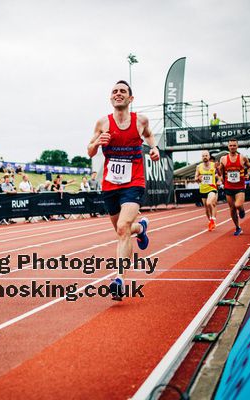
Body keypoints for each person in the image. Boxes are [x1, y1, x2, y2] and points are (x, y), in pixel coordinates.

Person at [87, 80, 159, 300]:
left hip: (134, 181)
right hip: (110, 184)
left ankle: (119, 278)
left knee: (121, 228)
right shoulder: (102, 123)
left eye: (123, 91)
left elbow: (148, 135)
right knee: (124, 230)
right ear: (111, 98)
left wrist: (154, 148)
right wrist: (98, 142)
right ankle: (141, 228)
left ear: (130, 99)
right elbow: (90, 151)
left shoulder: (141, 121)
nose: (118, 94)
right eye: (114, 91)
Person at [219, 139, 250, 236]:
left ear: (237, 146)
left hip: (240, 186)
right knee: (232, 208)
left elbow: (249, 167)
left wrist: (248, 174)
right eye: (230, 145)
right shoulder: (223, 159)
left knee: (237, 205)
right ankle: (238, 227)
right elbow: (220, 169)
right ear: (228, 147)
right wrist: (221, 176)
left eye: (234, 145)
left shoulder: (243, 158)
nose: (232, 147)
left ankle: (241, 210)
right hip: (228, 186)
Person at [195, 150, 220, 231]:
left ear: (209, 157)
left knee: (210, 203)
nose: (205, 157)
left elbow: (220, 174)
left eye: (206, 155)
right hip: (203, 189)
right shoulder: (199, 167)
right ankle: (210, 221)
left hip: (212, 188)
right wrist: (198, 178)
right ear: (201, 157)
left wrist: (219, 180)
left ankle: (213, 219)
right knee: (206, 208)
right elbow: (196, 178)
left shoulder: (214, 165)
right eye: (203, 156)